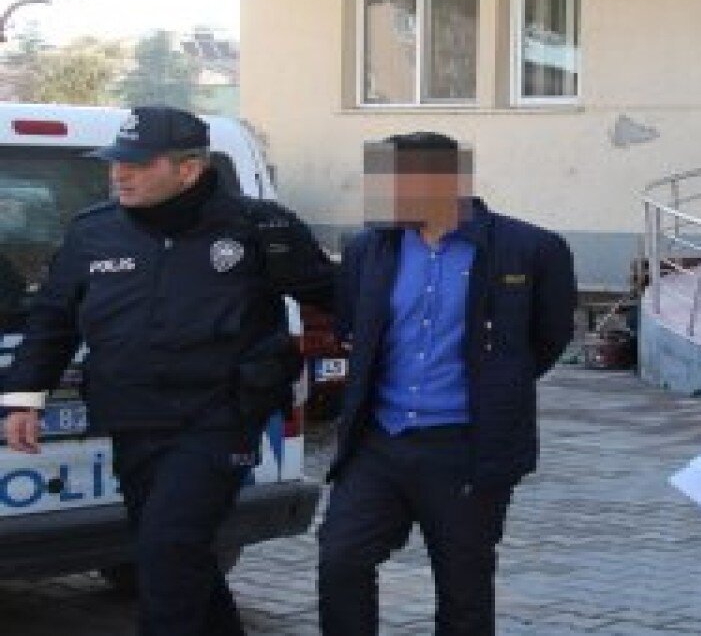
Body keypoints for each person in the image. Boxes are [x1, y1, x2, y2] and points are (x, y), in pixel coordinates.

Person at [0, 105, 336, 636]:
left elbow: (335, 299)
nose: (119, 174)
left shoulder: (258, 228)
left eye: (138, 164)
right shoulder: (93, 232)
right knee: (177, 553)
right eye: (116, 162)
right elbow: (53, 319)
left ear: (189, 169)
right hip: (133, 418)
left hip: (217, 419)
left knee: (169, 549)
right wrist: (25, 398)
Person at [317, 131, 577, 636]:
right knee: (341, 559)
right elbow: (353, 327)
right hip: (379, 442)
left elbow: (545, 341)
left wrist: (494, 388)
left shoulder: (530, 249)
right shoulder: (368, 249)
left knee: (464, 591)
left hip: (466, 450)